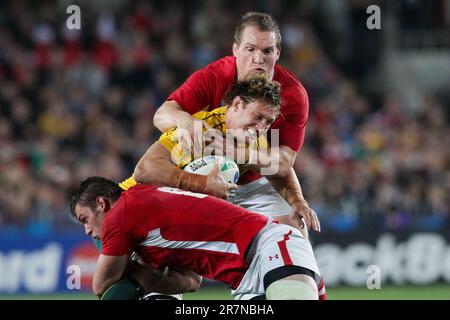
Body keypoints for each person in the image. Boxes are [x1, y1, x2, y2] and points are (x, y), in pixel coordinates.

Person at [151, 12, 319, 236]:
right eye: (251, 49)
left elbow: (282, 162)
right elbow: (162, 115)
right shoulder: (215, 76)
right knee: (183, 261)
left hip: (257, 183)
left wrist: (237, 153)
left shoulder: (293, 96)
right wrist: (187, 122)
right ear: (236, 49)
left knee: (297, 232)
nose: (258, 59)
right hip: (204, 179)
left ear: (277, 53)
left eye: (267, 51)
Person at [70, 176, 326, 300]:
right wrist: (144, 279)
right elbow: (191, 282)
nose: (88, 231)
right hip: (244, 280)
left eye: (84, 219)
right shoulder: (142, 215)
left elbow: (100, 285)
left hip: (268, 245)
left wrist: (134, 276)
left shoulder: (122, 213)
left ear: (101, 203)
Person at [129, 71, 320, 233]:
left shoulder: (257, 140)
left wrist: (297, 200)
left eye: (268, 122)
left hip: (168, 214)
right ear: (237, 105)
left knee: (190, 277)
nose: (261, 127)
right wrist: (203, 183)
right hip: (131, 207)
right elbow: (144, 170)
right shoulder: (200, 130)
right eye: (258, 117)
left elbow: (279, 170)